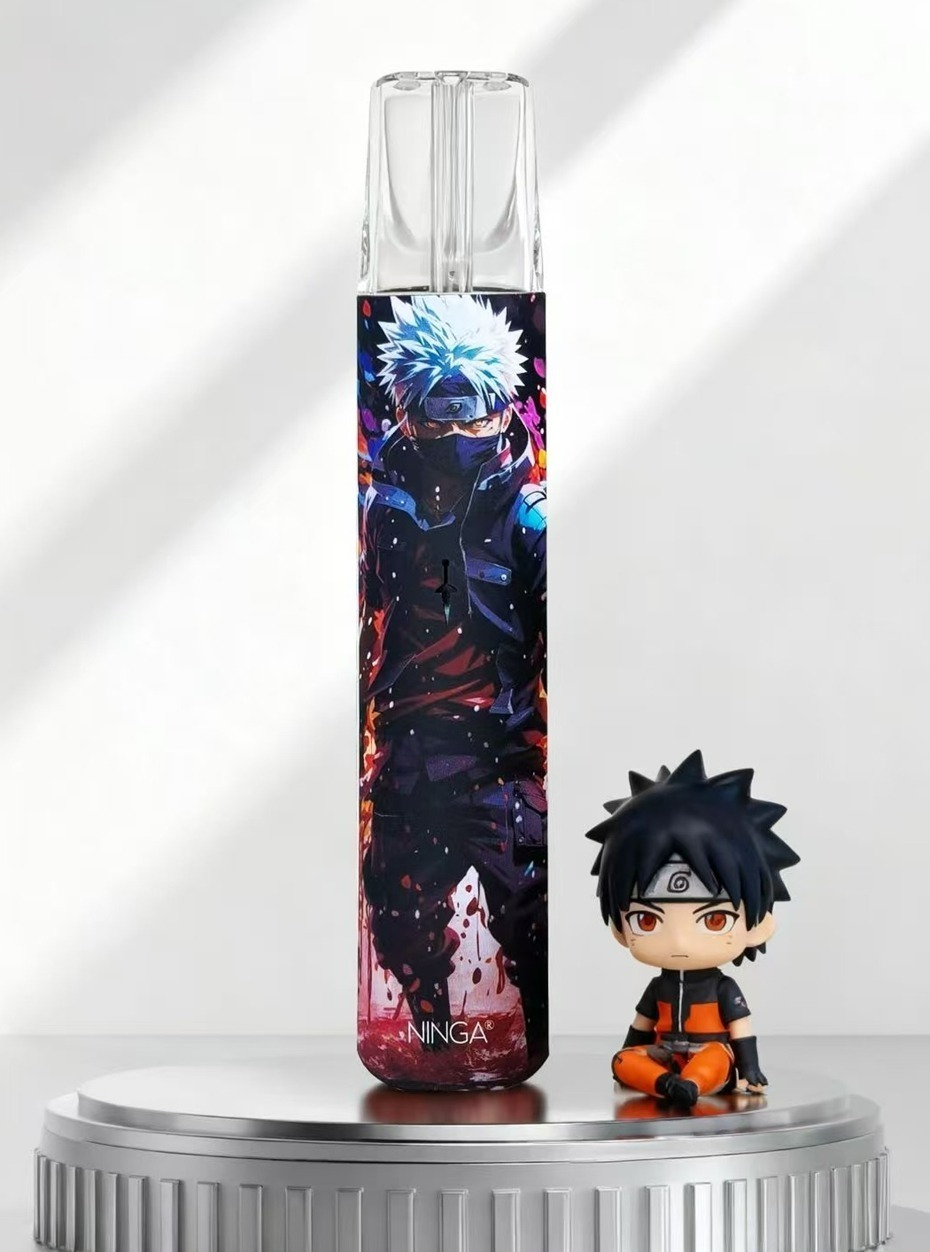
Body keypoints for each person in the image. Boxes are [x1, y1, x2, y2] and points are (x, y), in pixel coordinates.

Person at [359, 294, 547, 1056]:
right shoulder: (381, 511)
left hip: (502, 758)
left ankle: (534, 1035)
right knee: (399, 917)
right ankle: (436, 1034)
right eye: (438, 418)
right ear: (407, 413)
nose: (455, 434)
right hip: (408, 751)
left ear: (501, 410)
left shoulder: (528, 517)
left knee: (530, 915)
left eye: (472, 416)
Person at [586, 749, 800, 1107]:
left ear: (759, 926)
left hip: (710, 1054)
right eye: (647, 920)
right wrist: (626, 1059)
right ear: (620, 929)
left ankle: (691, 1085)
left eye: (714, 920)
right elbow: (640, 1028)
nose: (679, 940)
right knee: (624, 1061)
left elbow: (740, 1030)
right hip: (665, 1056)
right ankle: (670, 1085)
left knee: (715, 1059)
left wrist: (750, 1070)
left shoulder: (723, 989)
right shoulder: (658, 988)